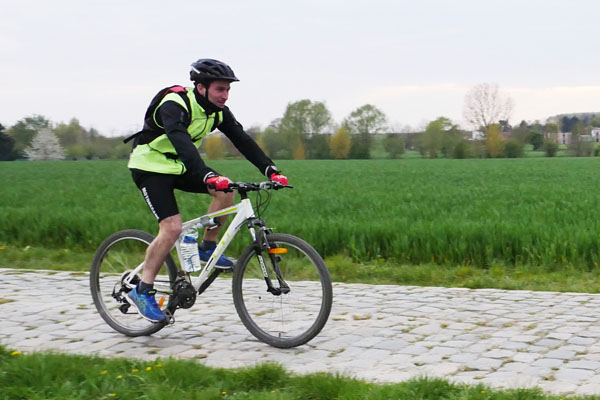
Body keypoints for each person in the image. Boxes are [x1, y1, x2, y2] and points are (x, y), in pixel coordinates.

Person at [125, 58, 288, 322]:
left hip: (178, 166)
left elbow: (242, 140)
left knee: (226, 191)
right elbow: (182, 143)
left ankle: (206, 247)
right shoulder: (175, 104)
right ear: (201, 87)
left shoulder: (218, 112)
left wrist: (271, 170)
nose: (225, 96)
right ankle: (143, 290)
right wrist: (207, 175)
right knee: (172, 228)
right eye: (220, 89)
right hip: (150, 166)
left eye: (228, 90)